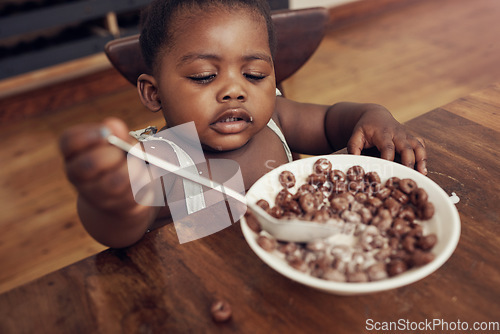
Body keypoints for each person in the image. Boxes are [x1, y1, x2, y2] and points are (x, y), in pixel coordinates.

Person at [59, 0, 427, 248]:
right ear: (154, 94)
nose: (235, 90)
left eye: (254, 74)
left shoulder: (277, 120)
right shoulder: (158, 162)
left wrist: (372, 115)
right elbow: (115, 233)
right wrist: (115, 204)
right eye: (204, 76)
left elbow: (333, 121)